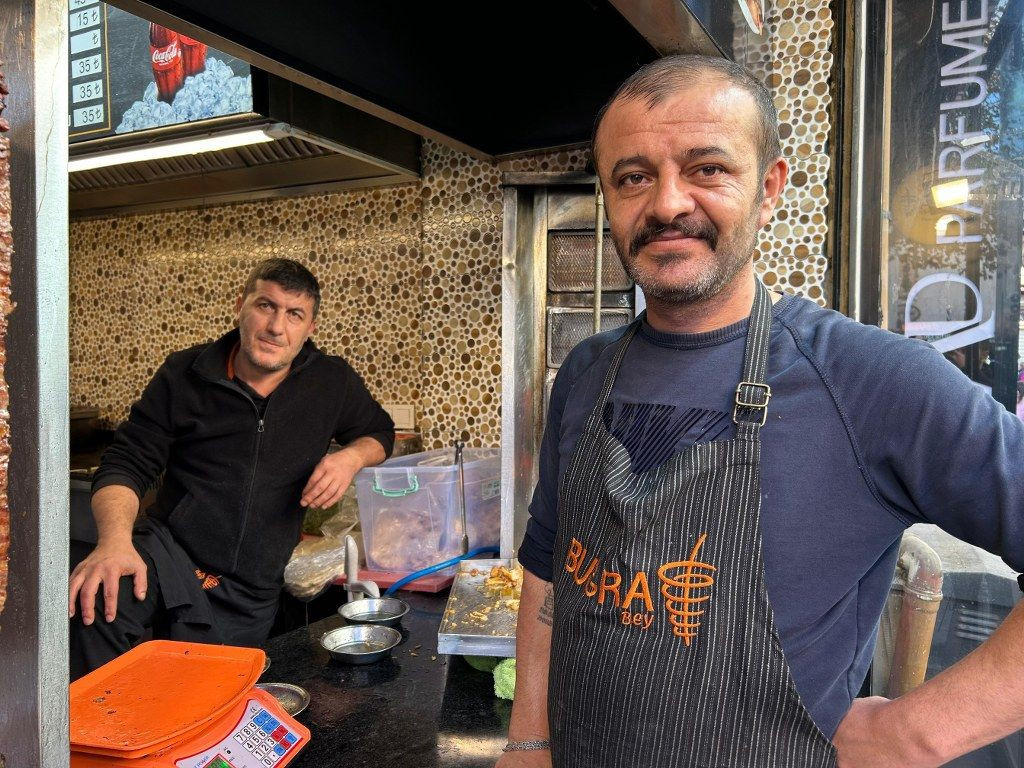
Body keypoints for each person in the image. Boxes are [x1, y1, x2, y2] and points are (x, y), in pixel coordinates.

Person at [499, 55, 1024, 768]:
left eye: (707, 168)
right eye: (633, 177)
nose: (667, 204)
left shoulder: (870, 380)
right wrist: (529, 742)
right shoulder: (586, 374)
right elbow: (546, 570)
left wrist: (918, 732)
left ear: (769, 188)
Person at [69, 258, 395, 680]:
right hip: (171, 553)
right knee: (99, 601)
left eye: (294, 314)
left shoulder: (332, 382)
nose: (277, 327)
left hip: (251, 587)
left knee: (208, 700)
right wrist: (113, 542)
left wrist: (350, 457)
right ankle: (99, 740)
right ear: (240, 306)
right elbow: (127, 461)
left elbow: (379, 432)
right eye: (265, 306)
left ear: (309, 327)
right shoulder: (184, 374)